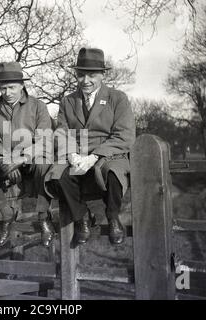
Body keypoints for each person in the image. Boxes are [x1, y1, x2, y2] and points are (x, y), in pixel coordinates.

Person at [45, 47, 136, 245]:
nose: (86, 81)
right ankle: (83, 218)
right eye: (81, 75)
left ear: (102, 75)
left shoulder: (117, 98)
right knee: (58, 176)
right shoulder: (68, 101)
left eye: (92, 75)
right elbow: (62, 131)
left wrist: (94, 157)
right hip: (77, 155)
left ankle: (113, 218)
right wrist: (71, 155)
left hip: (109, 155)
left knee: (112, 173)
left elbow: (124, 136)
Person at [0, 61, 55, 249]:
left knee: (44, 163)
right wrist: (4, 162)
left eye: (12, 87)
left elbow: (45, 141)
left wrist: (20, 160)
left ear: (22, 85)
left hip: (31, 164)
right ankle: (4, 214)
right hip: (6, 163)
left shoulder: (38, 107)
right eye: (3, 88)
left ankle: (43, 217)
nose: (7, 92)